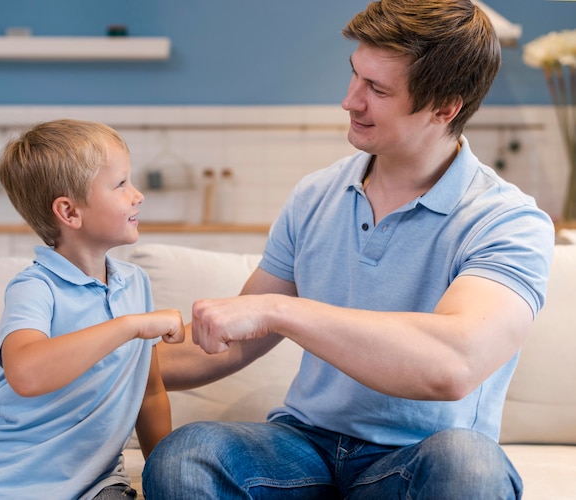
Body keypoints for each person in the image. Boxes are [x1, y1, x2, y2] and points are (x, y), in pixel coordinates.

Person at [143, 1, 555, 499]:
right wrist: (84, 368)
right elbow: (228, 343)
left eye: (377, 90)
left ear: (446, 106)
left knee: (470, 466)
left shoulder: (507, 221)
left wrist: (281, 311)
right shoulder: (315, 195)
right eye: (355, 76)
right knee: (188, 454)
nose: (350, 101)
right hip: (304, 447)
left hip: (418, 459)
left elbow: (452, 364)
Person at [0, 119, 185, 500]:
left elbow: (149, 393)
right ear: (69, 211)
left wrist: (167, 478)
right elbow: (27, 373)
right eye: (121, 184)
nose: (138, 195)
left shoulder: (135, 283)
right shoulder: (36, 287)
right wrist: (130, 326)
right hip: (13, 480)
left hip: (99, 483)